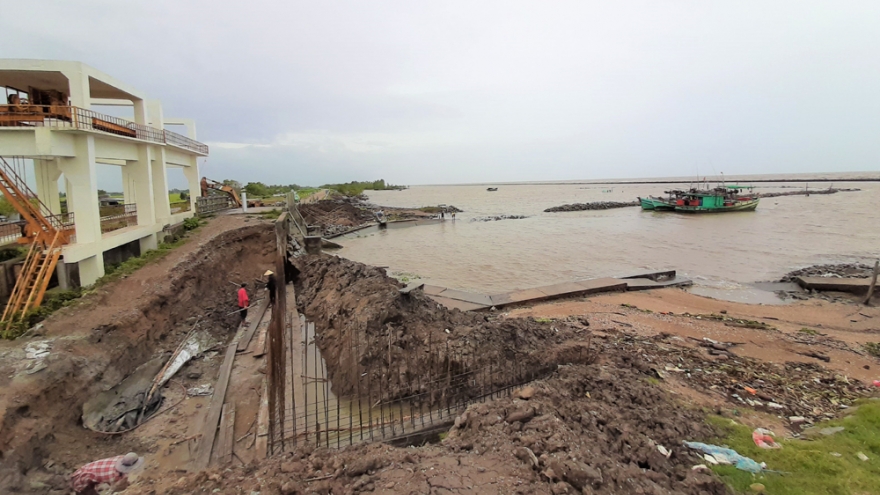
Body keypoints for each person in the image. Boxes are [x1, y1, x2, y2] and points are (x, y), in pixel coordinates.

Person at [70, 452, 144, 495]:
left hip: (87, 470)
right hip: (80, 480)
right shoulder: (113, 476)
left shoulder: (122, 458)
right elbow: (113, 489)